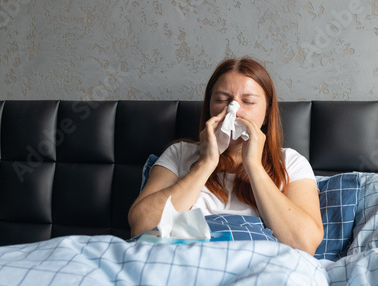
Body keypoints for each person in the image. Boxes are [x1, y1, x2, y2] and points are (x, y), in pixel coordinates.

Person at [128, 57, 323, 255]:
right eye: (221, 100)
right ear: (209, 107)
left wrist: (253, 165)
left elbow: (304, 244)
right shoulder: (179, 154)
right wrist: (206, 163)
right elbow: (141, 226)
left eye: (248, 101)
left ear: (266, 113)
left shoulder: (291, 162)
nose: (233, 110)